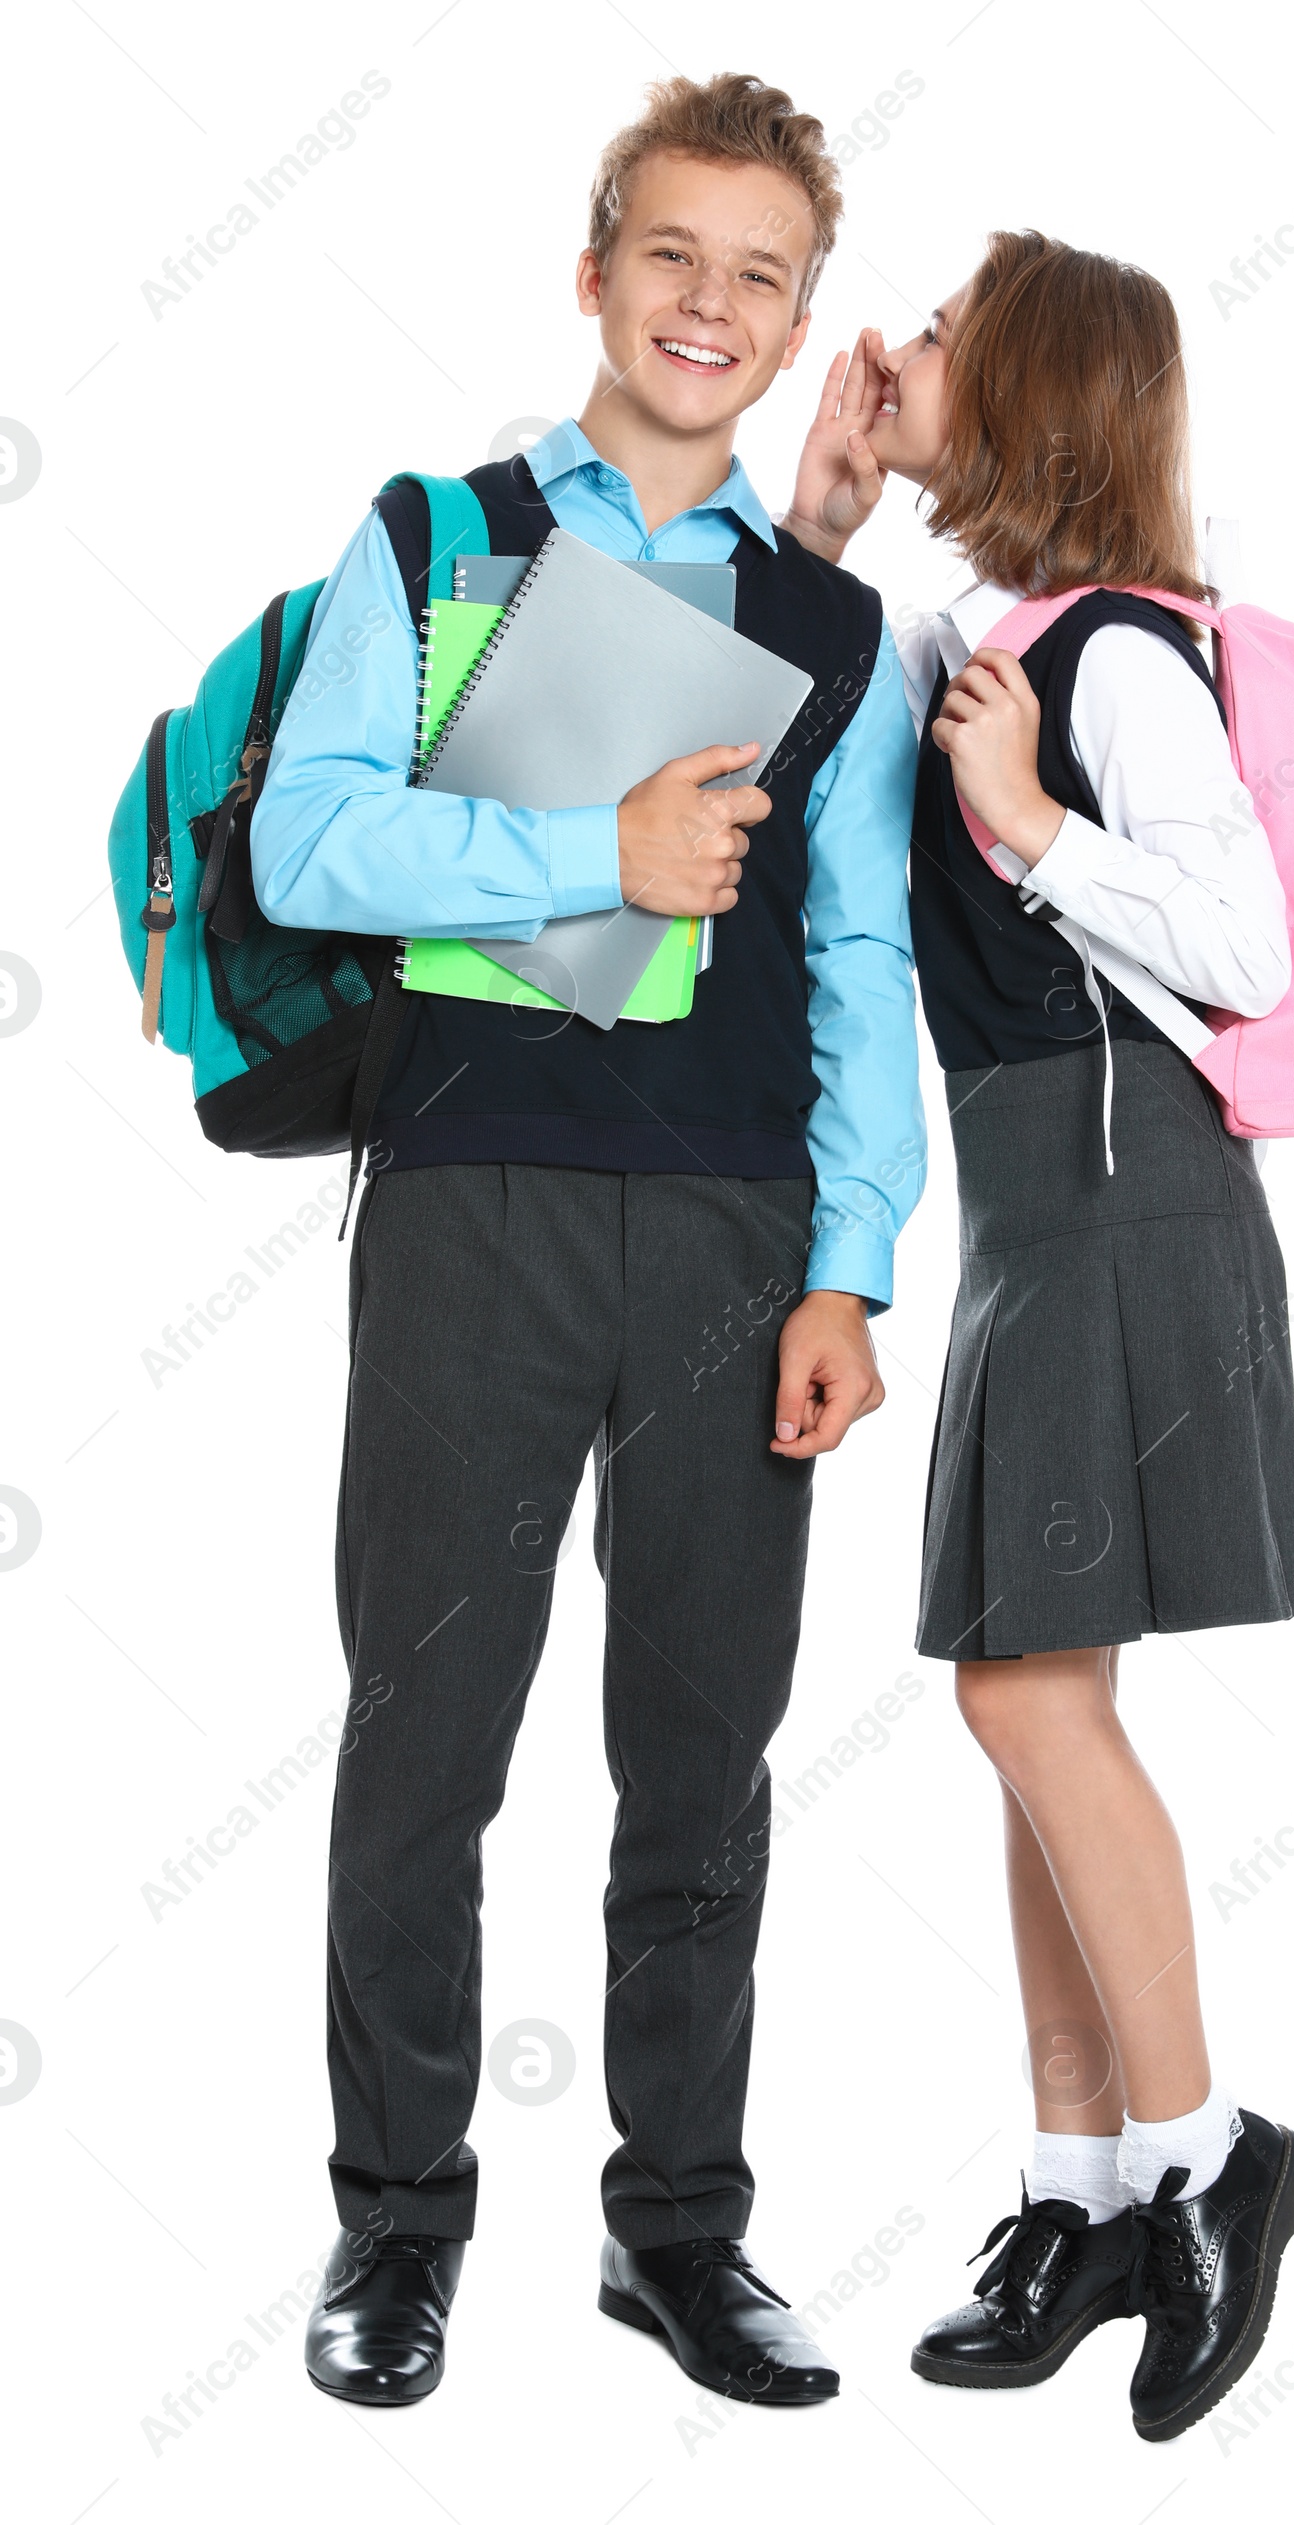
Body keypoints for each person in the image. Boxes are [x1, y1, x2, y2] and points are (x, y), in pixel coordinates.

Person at [251, 74, 924, 2410]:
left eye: (758, 273)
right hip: (471, 1204)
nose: (708, 305)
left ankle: (679, 2234)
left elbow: (857, 963)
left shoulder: (830, 622)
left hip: (739, 1230)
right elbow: (310, 846)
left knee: (702, 1755)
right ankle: (396, 2232)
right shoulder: (429, 537)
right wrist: (586, 859)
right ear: (592, 268)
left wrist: (849, 1262)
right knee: (423, 1739)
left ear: (798, 311)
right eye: (670, 254)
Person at [781, 231, 1294, 2441]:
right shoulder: (974, 634)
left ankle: (1210, 2166)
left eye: (940, 344)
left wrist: (1023, 827)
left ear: (1033, 400)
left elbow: (1248, 944)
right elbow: (790, 659)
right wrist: (823, 484)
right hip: (1036, 1208)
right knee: (1031, 1689)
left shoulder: (1104, 662)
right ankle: (1080, 2188)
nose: (896, 352)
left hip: (1114, 1196)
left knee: (1018, 1687)